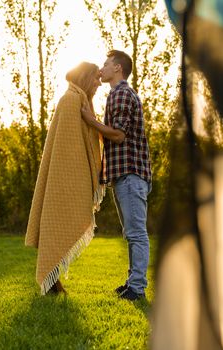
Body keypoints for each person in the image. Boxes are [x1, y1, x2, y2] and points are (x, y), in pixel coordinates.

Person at [25, 62, 105, 295]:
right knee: (58, 225)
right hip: (65, 180)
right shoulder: (71, 100)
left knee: (59, 225)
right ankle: (51, 282)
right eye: (96, 79)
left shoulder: (78, 99)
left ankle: (54, 282)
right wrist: (77, 179)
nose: (99, 84)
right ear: (86, 78)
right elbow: (68, 149)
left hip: (69, 179)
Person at [81, 50, 152, 301]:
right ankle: (133, 283)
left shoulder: (121, 94)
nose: (102, 67)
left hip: (131, 174)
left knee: (136, 233)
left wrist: (91, 121)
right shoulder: (115, 94)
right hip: (124, 175)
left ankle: (137, 288)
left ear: (118, 68)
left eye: (106, 64)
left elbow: (119, 135)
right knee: (131, 233)